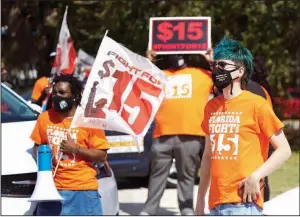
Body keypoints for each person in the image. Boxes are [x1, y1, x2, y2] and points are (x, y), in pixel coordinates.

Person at [195, 37, 291, 215]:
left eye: (223, 65)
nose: (217, 70)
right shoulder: (211, 107)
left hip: (244, 204)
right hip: (215, 203)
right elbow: (208, 155)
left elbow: (284, 150)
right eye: (215, 65)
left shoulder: (256, 104)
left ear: (239, 72)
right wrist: (200, 199)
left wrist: (256, 176)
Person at [140, 51, 213, 215]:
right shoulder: (160, 75)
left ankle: (186, 208)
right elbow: (141, 82)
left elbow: (220, 80)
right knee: (157, 175)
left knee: (187, 175)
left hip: (191, 133)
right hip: (162, 133)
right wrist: (149, 61)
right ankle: (149, 210)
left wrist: (210, 60)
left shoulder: (202, 74)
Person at [30, 74, 109, 215]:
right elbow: (37, 146)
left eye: (62, 93)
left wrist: (76, 149)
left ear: (74, 96)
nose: (57, 96)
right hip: (51, 191)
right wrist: (42, 157)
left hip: (83, 191)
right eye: (54, 92)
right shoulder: (44, 118)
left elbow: (101, 156)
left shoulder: (89, 120)